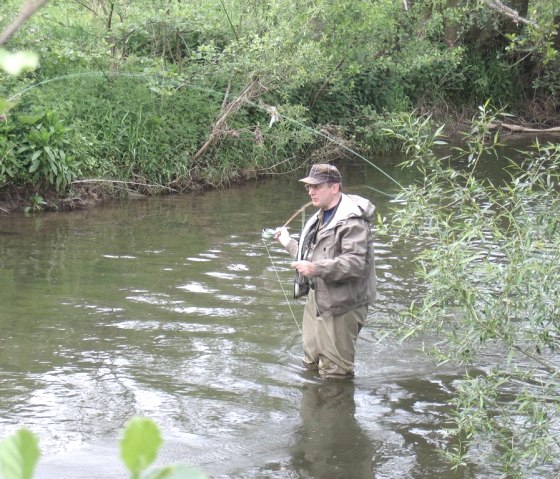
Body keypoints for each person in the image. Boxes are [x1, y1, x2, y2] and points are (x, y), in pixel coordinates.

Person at [275, 163, 376, 379]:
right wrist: (288, 243)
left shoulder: (353, 221)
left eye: (317, 186)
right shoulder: (321, 216)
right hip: (317, 298)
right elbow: (311, 257)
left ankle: (336, 409)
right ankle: (312, 411)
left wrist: (315, 268)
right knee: (310, 362)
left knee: (335, 374)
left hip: (343, 304)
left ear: (334, 188)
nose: (311, 191)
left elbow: (356, 262)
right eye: (309, 187)